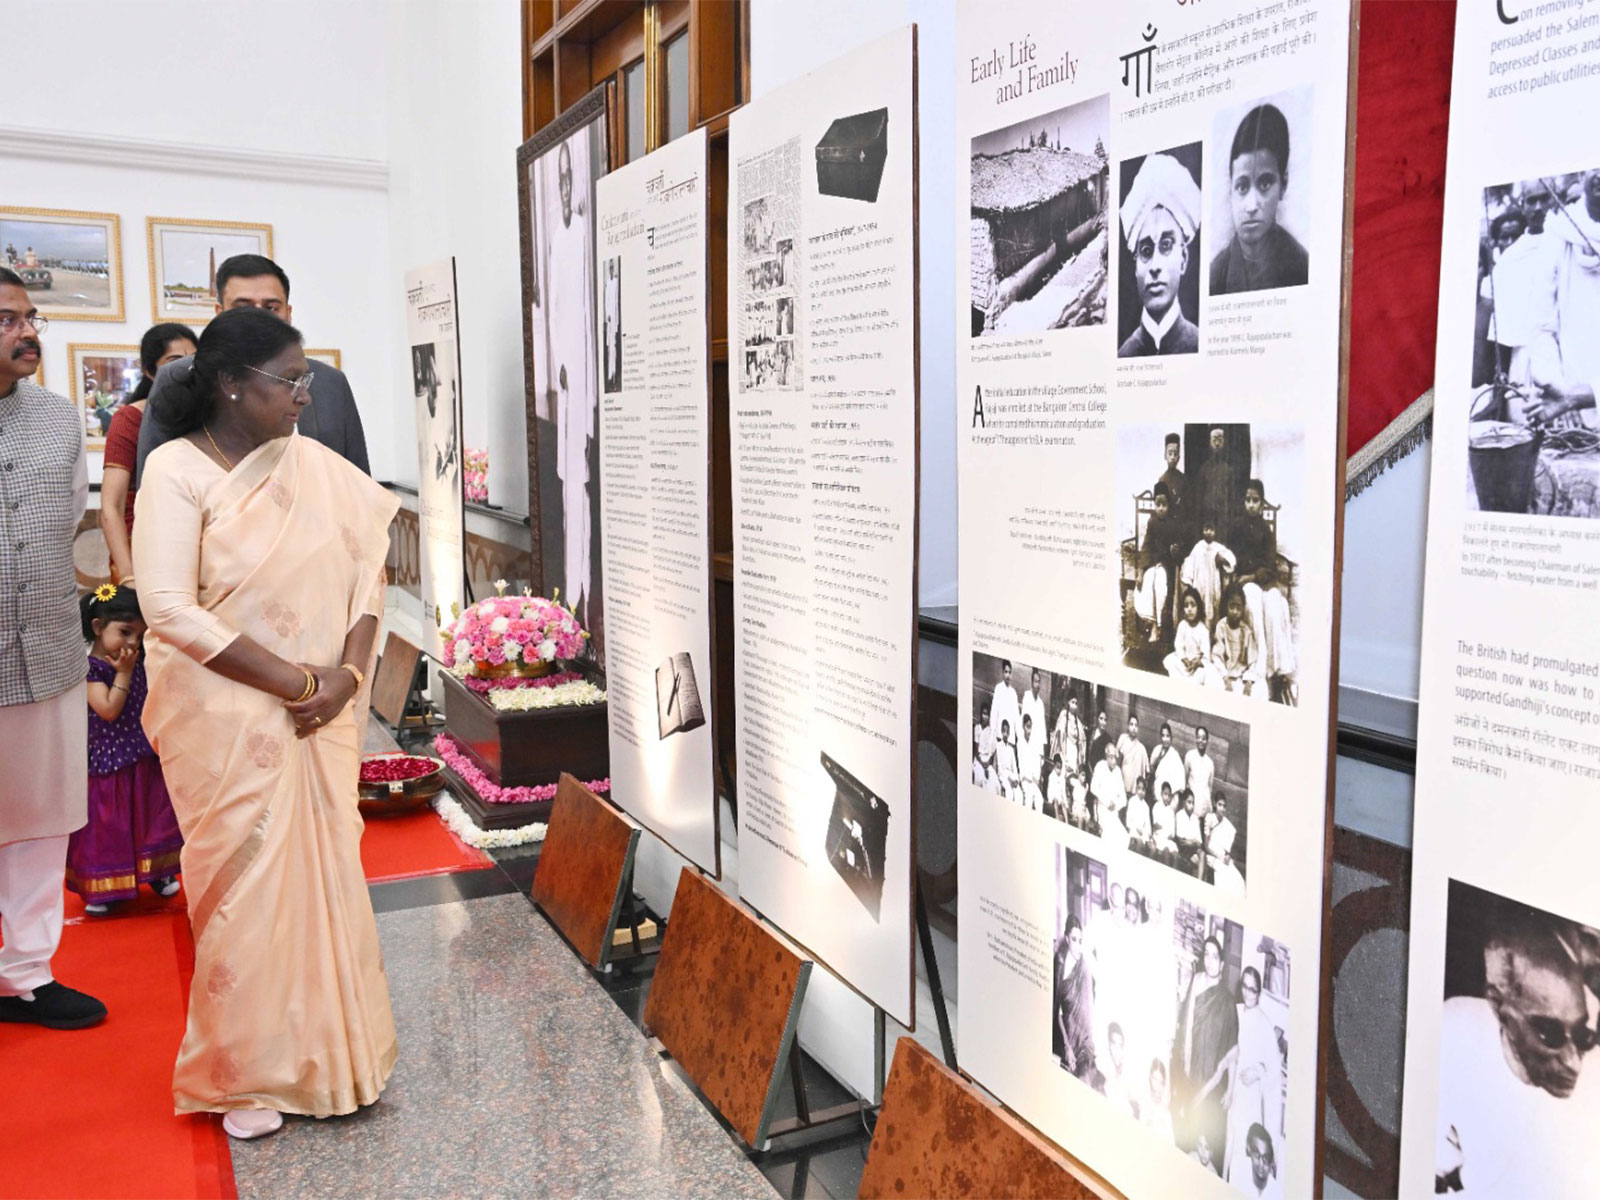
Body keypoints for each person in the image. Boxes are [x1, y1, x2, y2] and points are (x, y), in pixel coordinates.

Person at [133, 308, 399, 1139]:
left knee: (327, 882)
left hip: (319, 713)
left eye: (304, 377)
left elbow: (368, 571)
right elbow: (168, 607)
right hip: (226, 718)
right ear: (231, 385)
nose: (304, 394)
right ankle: (245, 1072)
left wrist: (345, 678)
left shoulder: (317, 466)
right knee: (243, 890)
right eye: (289, 380)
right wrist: (293, 681)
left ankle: (335, 1054)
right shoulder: (176, 472)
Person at [0, 269, 107, 1030]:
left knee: (40, 819)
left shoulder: (60, 419)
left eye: (29, 317)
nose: (26, 331)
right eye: (8, 320)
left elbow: (70, 511)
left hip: (48, 653)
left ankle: (28, 975)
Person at [134, 254, 369, 484]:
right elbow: (152, 485)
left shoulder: (329, 383)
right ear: (219, 313)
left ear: (288, 315)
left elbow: (360, 488)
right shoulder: (178, 378)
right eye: (242, 307)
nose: (257, 319)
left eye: (270, 308)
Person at [1435, 912, 1595, 1196]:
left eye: (1582, 1035)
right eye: (1549, 1033)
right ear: (1498, 1008)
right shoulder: (1455, 1026)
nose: (1574, 1062)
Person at [66, 586, 182, 914]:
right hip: (108, 762)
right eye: (125, 632)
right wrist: (125, 673)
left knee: (153, 816)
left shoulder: (138, 661)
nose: (133, 643)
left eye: (140, 635)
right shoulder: (90, 669)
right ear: (98, 627)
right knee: (109, 827)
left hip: (143, 753)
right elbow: (108, 709)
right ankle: (108, 887)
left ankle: (158, 871)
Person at [100, 323, 197, 584]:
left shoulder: (206, 419)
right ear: (149, 371)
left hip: (193, 545)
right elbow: (112, 505)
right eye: (174, 361)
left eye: (192, 360)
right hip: (140, 546)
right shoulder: (130, 419)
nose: (185, 369)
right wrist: (128, 574)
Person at [1194, 966, 1284, 1186]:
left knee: (1246, 1151)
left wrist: (1258, 1073)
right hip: (1232, 1091)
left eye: (1252, 989)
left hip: (1251, 1099)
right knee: (1228, 1144)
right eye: (1244, 987)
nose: (1247, 993)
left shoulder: (1264, 1024)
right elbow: (1224, 1048)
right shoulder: (1234, 1010)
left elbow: (1274, 1070)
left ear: (1259, 992)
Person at [1210, 102, 1309, 295]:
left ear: (1283, 185)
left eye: (1264, 185)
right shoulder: (1215, 276)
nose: (1251, 206)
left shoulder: (1302, 267)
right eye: (1242, 187)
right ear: (1231, 189)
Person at [1119, 152, 1202, 357]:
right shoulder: (1124, 354)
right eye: (1146, 251)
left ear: (1183, 259)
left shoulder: (1199, 344)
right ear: (1135, 264)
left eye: (1166, 246)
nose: (1155, 266)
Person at [1174, 936, 1240, 1168]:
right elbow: (1186, 1024)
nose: (1210, 961)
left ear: (1222, 964)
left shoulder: (1227, 1002)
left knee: (1206, 1144)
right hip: (1191, 1072)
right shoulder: (1196, 981)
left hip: (1212, 1082)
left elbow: (1233, 1049)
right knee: (1187, 1137)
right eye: (1206, 954)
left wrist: (1231, 1089)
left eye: (1215, 956)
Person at [1232, 480, 1297, 703]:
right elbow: (1235, 559)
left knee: (1275, 604)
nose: (1251, 504)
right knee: (1253, 603)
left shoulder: (1266, 531)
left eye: (1255, 501)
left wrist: (1255, 575)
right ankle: (1261, 669)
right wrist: (1244, 577)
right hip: (1245, 582)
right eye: (1248, 500)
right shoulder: (1237, 528)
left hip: (1263, 579)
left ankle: (1278, 669)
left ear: (1261, 504)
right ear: (1244, 503)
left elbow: (1269, 562)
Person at [1134, 483, 1186, 644]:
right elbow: (1147, 546)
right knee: (1149, 580)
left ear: (1169, 505)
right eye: (1158, 504)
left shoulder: (1174, 523)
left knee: (1160, 586)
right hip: (1153, 563)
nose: (1161, 508)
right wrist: (1141, 571)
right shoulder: (1152, 522)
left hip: (1167, 564)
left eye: (1164, 504)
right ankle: (1153, 624)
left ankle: (1161, 626)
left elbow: (1180, 544)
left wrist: (1175, 550)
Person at [1053, 915, 1099, 1086]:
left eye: (1081, 940)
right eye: (1074, 940)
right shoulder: (1058, 965)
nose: (1078, 946)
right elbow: (1056, 1011)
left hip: (1083, 1041)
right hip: (1063, 1036)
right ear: (1066, 939)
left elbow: (1088, 1014)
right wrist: (1066, 1045)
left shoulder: (1084, 970)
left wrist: (1082, 1047)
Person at [1181, 519, 1236, 631]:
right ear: (1202, 531)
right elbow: (1190, 562)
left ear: (1215, 532)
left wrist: (1222, 559)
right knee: (1200, 604)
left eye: (1211, 530)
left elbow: (1231, 558)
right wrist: (1188, 580)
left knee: (1213, 606)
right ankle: (1200, 632)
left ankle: (1212, 633)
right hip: (1200, 582)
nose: (1209, 532)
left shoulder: (1217, 547)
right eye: (1206, 529)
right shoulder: (1198, 547)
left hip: (1212, 584)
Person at [1193, 428, 1242, 547]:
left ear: (1224, 442)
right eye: (1214, 439)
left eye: (1220, 440)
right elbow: (1199, 497)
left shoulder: (1228, 470)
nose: (1217, 443)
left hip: (1223, 519)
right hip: (1207, 518)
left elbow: (1232, 498)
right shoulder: (1204, 470)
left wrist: (1229, 519)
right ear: (1210, 442)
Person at [1213, 588, 1262, 696]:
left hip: (1241, 677)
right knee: (1213, 683)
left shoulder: (1246, 631)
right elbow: (1216, 656)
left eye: (1238, 608)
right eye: (1232, 607)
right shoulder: (1221, 626)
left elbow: (1252, 661)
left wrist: (1248, 682)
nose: (1235, 612)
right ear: (1226, 606)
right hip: (1224, 674)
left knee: (1261, 688)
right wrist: (1225, 678)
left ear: (1243, 609)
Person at [1165, 588, 1216, 684]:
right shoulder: (1182, 625)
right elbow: (1178, 645)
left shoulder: (1203, 630)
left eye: (1193, 605)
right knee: (1171, 662)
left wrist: (1197, 663)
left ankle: (1190, 686)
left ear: (1199, 607)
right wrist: (1184, 659)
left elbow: (1205, 653)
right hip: (1184, 661)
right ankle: (1180, 684)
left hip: (1196, 665)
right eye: (1186, 606)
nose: (1189, 609)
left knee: (1203, 672)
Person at [1090, 742, 1127, 848]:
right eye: (1111, 757)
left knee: (1124, 838)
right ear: (1106, 756)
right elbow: (1093, 787)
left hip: (1113, 813)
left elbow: (1124, 799)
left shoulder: (1118, 771)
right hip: (1101, 810)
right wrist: (1107, 802)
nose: (1113, 760)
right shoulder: (1100, 766)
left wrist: (1115, 805)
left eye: (1115, 757)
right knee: (1109, 836)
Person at [1104, 1022, 1140, 1117]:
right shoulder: (1104, 1068)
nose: (1117, 1050)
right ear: (1109, 1045)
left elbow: (1133, 1100)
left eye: (1120, 1045)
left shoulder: (1126, 1072)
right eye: (1113, 1044)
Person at [1205, 792, 1239, 881]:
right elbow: (1205, 846)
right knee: (1223, 873)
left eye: (1224, 806)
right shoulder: (1210, 818)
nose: (1222, 808)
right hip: (1212, 855)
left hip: (1222, 856)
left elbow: (1227, 850)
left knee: (1236, 876)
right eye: (1220, 805)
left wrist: (1227, 857)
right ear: (1214, 804)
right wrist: (1218, 856)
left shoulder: (1227, 824)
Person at [1052, 692, 1087, 776]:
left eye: (1076, 703)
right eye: (1072, 702)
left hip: (1074, 750)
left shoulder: (1077, 721)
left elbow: (1082, 739)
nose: (1074, 705)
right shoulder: (1064, 717)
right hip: (1065, 749)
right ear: (1068, 702)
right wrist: (1064, 756)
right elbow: (1061, 737)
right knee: (1064, 772)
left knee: (1073, 774)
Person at [1186, 725, 1217, 818]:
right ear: (1195, 739)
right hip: (1191, 806)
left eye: (1203, 738)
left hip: (1204, 808)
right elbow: (1184, 780)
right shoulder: (1190, 756)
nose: (1201, 741)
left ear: (1207, 741)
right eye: (1198, 737)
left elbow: (1210, 788)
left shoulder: (1210, 763)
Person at [1117, 715, 1150, 799]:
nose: (1133, 728)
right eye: (1131, 724)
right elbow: (1117, 761)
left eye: (1136, 725)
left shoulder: (1141, 748)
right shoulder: (1123, 739)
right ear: (1128, 726)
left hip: (1135, 790)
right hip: (1122, 785)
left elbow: (1147, 771)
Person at [1145, 1059, 1176, 1143]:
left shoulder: (1166, 1114)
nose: (1157, 1086)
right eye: (1155, 1079)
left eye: (1161, 1082)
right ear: (1150, 1078)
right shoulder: (1144, 1106)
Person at [1017, 713, 1044, 811]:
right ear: (1023, 726)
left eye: (1030, 727)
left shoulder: (1033, 743)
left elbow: (1036, 762)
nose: (1029, 730)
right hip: (1025, 780)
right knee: (1028, 799)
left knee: (1039, 800)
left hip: (1033, 781)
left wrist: (1036, 778)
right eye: (1027, 726)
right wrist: (1030, 778)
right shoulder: (1020, 743)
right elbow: (1021, 765)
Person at [990, 660, 1020, 746]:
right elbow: (994, 712)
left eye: (1010, 672)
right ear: (1002, 673)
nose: (1008, 675)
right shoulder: (998, 688)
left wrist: (1018, 737)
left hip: (1010, 738)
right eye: (1006, 672)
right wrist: (993, 732)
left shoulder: (1013, 693)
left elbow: (1016, 717)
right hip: (1000, 734)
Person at [1175, 789, 1205, 878]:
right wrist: (1194, 841)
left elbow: (1199, 843)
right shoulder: (1179, 815)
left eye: (1193, 803)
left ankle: (1199, 882)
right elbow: (1182, 840)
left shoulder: (1195, 819)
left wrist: (1192, 841)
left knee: (1202, 854)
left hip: (1193, 848)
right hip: (1183, 849)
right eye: (1189, 802)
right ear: (1184, 802)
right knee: (1198, 862)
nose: (1192, 806)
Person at [1157, 432, 1186, 520]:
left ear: (1179, 457)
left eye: (1175, 454)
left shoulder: (1184, 479)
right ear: (1165, 455)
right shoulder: (1162, 480)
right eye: (1170, 453)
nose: (1172, 457)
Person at [972, 701, 998, 791]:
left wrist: (988, 763)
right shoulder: (977, 728)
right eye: (984, 713)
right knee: (980, 777)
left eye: (987, 714)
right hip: (978, 760)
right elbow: (976, 751)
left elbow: (992, 752)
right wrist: (982, 764)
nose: (985, 717)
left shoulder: (991, 731)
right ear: (981, 714)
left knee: (994, 780)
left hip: (987, 761)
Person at [1151, 781, 1179, 862]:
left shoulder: (1171, 811)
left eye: (1169, 795)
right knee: (1166, 851)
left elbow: (1172, 832)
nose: (1167, 797)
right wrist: (1164, 828)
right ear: (1161, 794)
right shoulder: (1157, 806)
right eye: (1165, 794)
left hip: (1168, 838)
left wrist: (1169, 833)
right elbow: (1156, 825)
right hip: (1158, 837)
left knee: (1175, 855)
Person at [1020, 668, 1046, 746]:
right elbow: (1023, 720)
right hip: (1028, 739)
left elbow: (1042, 726)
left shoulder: (1040, 703)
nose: (1038, 685)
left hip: (1037, 742)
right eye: (1036, 682)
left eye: (1039, 682)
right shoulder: (1027, 697)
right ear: (1031, 683)